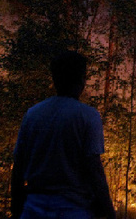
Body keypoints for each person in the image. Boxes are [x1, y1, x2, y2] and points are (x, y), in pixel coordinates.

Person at [11, 51, 115, 219]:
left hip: (34, 208)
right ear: (81, 80)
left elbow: (19, 166)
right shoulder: (87, 116)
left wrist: (16, 207)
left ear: (55, 78)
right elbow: (94, 169)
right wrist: (108, 211)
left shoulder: (33, 114)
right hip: (74, 210)